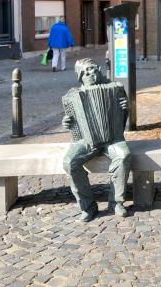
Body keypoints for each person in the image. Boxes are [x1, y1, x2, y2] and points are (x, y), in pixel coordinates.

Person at [61, 59, 131, 222]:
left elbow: (123, 119)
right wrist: (66, 122)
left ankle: (116, 203)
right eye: (83, 73)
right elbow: (71, 122)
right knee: (69, 162)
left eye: (90, 69)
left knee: (123, 156)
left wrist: (126, 108)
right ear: (80, 77)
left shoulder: (116, 88)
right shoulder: (73, 96)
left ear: (99, 69)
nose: (88, 74)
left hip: (113, 138)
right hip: (85, 140)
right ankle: (88, 207)